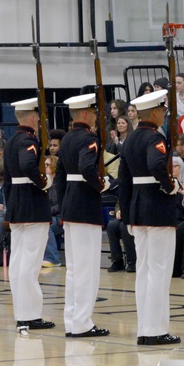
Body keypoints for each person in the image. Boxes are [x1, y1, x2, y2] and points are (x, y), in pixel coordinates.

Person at [118, 88, 182, 345]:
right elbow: (157, 165)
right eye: (164, 111)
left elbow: (123, 179)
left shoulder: (131, 139)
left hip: (137, 209)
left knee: (144, 270)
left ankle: (146, 328)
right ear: (155, 112)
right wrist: (171, 187)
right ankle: (156, 330)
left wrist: (125, 211)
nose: (165, 115)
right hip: (157, 208)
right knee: (158, 270)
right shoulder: (155, 137)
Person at [53, 93, 110, 338]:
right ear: (86, 114)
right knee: (86, 269)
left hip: (70, 206)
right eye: (94, 113)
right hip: (86, 206)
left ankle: (72, 320)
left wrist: (63, 204)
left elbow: (59, 177)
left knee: (75, 269)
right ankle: (83, 323)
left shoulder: (65, 140)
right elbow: (87, 169)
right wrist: (102, 185)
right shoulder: (89, 138)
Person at [4, 97, 56, 332]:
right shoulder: (28, 140)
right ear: (34, 117)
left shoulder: (12, 140)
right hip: (32, 205)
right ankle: (30, 314)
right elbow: (27, 165)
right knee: (30, 262)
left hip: (17, 203)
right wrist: (43, 182)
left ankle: (22, 312)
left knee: (18, 262)